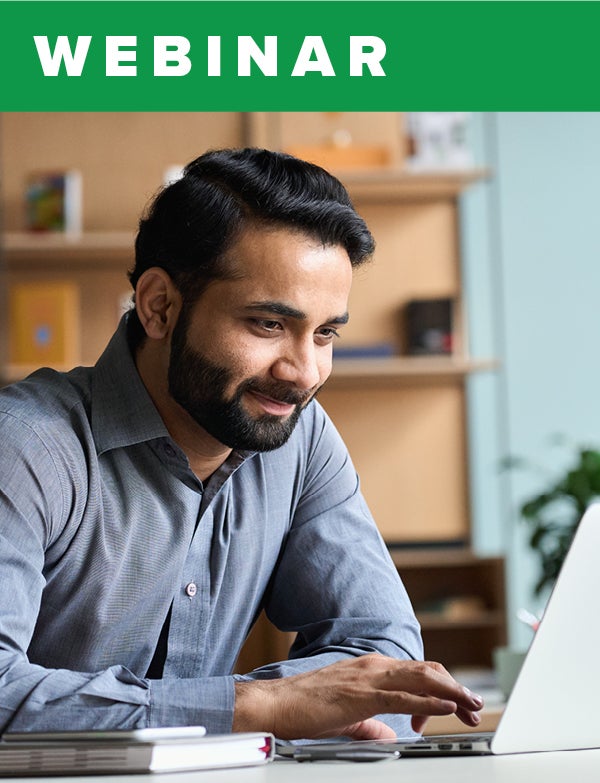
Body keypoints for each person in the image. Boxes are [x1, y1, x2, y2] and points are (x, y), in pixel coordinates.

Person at [0, 148, 483, 739]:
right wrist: (258, 707)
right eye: (269, 325)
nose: (304, 373)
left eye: (325, 333)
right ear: (159, 307)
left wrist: (288, 705)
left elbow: (386, 659)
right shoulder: (23, 447)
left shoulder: (302, 438)